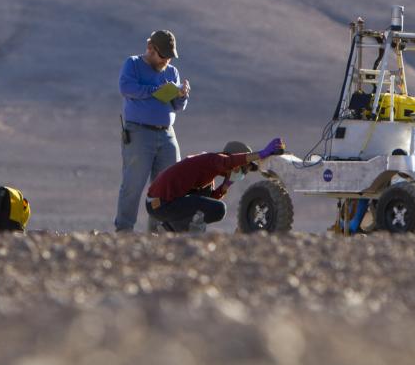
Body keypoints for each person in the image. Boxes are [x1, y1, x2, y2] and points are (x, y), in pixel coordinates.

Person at [114, 29, 189, 232]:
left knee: (168, 185)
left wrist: (182, 95)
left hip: (167, 134)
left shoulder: (171, 71)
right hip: (139, 133)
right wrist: (154, 91)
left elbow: (177, 106)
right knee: (133, 184)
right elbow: (126, 88)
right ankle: (124, 230)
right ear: (150, 48)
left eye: (170, 57)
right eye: (163, 55)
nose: (166, 60)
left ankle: (158, 231)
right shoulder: (133, 64)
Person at [145, 138, 286, 232]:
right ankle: (175, 229)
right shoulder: (210, 159)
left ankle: (170, 228)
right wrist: (261, 154)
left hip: (163, 203)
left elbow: (209, 202)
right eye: (243, 168)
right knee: (220, 209)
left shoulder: (208, 175)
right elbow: (228, 162)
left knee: (211, 203)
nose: (241, 173)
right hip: (159, 203)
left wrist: (227, 184)